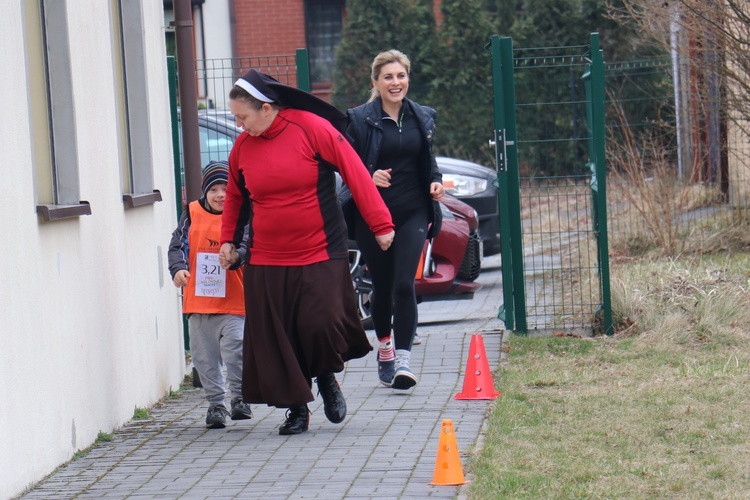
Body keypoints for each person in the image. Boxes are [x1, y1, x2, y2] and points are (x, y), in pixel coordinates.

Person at [218, 69, 395, 435]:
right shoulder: (243, 147)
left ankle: (326, 377)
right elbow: (236, 197)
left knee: (319, 322)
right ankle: (297, 408)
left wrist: (380, 224)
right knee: (278, 336)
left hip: (320, 248)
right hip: (267, 257)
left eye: (243, 117)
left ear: (267, 109)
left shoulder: (311, 128)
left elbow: (355, 172)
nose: (240, 125)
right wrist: (228, 241)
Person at [346, 49, 445, 390]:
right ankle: (384, 345)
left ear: (408, 79)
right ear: (375, 82)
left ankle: (403, 360)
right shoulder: (359, 120)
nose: (395, 82)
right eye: (388, 77)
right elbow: (347, 167)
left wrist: (435, 181)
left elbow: (428, 161)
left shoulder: (423, 117)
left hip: (414, 210)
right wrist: (368, 176)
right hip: (373, 214)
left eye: (401, 76)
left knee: (405, 284)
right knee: (384, 286)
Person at [168, 161, 253, 429]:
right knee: (204, 358)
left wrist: (237, 257)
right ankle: (216, 404)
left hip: (234, 301)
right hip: (199, 303)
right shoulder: (191, 214)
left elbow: (248, 244)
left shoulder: (240, 214)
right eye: (214, 189)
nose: (220, 195)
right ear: (205, 192)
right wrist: (178, 270)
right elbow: (176, 247)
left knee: (236, 350)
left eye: (226, 189)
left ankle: (240, 398)